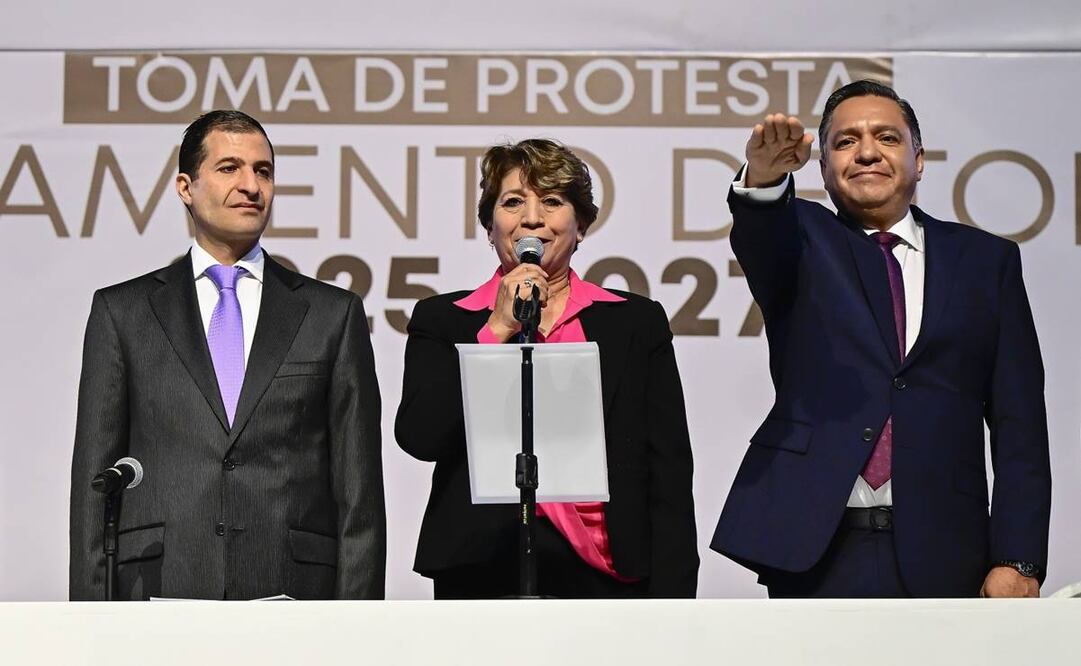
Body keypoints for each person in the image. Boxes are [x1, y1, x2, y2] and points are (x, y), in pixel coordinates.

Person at [711, 80, 1051, 598]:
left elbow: (1019, 423)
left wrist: (1019, 558)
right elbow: (761, 227)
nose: (867, 151)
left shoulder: (986, 262)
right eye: (845, 142)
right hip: (816, 548)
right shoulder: (799, 240)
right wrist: (763, 177)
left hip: (948, 549)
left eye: (886, 138)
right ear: (821, 168)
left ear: (918, 159)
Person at [69, 110, 386, 600]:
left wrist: (357, 625)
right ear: (185, 187)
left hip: (296, 594)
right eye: (229, 168)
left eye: (263, 171)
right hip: (156, 590)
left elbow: (358, 495)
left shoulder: (332, 314)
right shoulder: (122, 313)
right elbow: (95, 486)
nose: (251, 185)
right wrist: (89, 623)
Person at [396, 139, 698, 598]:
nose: (531, 218)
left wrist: (677, 606)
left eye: (552, 202)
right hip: (481, 567)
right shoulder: (443, 319)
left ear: (580, 225)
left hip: (608, 573)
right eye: (513, 202)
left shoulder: (635, 322)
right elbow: (421, 436)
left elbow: (669, 472)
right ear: (490, 225)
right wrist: (495, 329)